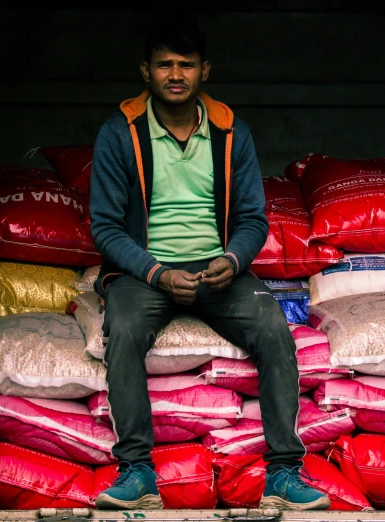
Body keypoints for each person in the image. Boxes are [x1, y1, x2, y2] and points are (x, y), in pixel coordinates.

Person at [89, 22, 330, 512]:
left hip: (219, 270)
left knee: (272, 326)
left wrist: (233, 259)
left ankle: (284, 472)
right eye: (164, 65)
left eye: (186, 65)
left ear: (204, 70)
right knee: (126, 329)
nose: (175, 75)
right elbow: (106, 227)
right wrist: (156, 273)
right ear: (146, 71)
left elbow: (252, 219)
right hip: (146, 272)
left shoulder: (228, 130)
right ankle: (137, 471)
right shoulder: (120, 132)